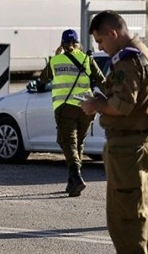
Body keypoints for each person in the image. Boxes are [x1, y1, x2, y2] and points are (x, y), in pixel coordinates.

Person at [80, 11, 148, 254]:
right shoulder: (142, 52)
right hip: (135, 143)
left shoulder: (127, 61)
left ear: (113, 33)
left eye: (101, 41)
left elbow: (121, 106)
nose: (100, 47)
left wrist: (95, 106)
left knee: (125, 220)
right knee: (135, 215)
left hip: (127, 147)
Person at [40, 28, 106, 197]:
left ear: (62, 44)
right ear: (78, 44)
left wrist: (55, 56)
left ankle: (76, 176)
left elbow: (43, 78)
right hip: (86, 107)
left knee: (68, 142)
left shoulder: (56, 60)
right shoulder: (87, 59)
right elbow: (102, 80)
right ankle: (72, 182)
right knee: (78, 143)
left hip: (65, 106)